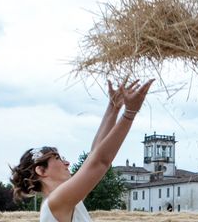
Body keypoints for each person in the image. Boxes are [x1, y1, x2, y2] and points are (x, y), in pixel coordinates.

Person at [11, 78, 154, 222]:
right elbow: (99, 162)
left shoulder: (66, 200)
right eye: (58, 159)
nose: (66, 163)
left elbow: (95, 155)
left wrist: (114, 107)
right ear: (41, 171)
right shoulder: (56, 202)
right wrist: (129, 113)